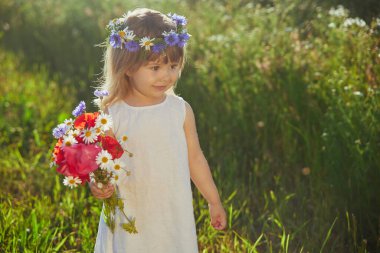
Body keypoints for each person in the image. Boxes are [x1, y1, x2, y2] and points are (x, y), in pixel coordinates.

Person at [89, 8, 227, 252]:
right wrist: (99, 184)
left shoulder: (179, 110)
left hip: (171, 209)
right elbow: (102, 164)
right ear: (128, 67)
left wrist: (213, 200)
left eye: (173, 65)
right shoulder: (114, 114)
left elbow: (194, 158)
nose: (166, 76)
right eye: (155, 68)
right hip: (131, 210)